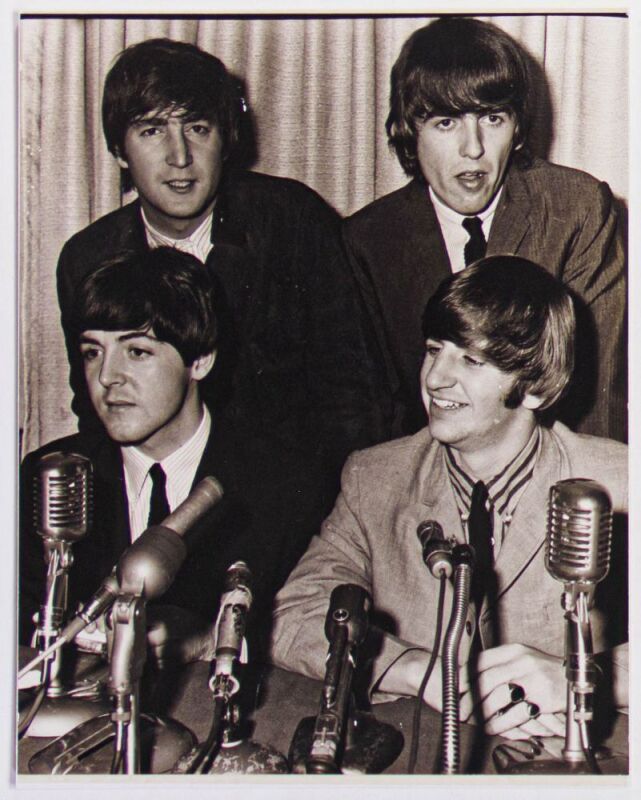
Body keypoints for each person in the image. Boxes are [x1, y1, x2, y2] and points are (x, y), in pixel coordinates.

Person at [270, 256, 628, 744]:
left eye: (470, 360)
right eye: (434, 349)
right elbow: (293, 616)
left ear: (536, 388)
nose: (436, 377)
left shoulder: (620, 482)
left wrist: (584, 678)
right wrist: (424, 672)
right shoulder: (374, 477)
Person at [56, 37, 389, 520]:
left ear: (226, 139)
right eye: (151, 131)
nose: (180, 157)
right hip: (156, 503)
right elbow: (96, 414)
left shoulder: (292, 221)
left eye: (198, 128)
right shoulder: (88, 257)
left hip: (291, 506)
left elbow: (354, 399)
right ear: (119, 150)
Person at [21, 248, 314, 663]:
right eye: (92, 352)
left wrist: (204, 639)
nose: (107, 377)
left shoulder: (284, 483)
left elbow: (297, 630)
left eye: (137, 351)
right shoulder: (51, 474)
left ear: (200, 360)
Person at [344, 16, 626, 442]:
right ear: (409, 131)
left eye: (492, 118)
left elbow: (592, 403)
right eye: (446, 122)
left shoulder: (578, 209)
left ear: (516, 129)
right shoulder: (368, 240)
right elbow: (375, 417)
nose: (473, 148)